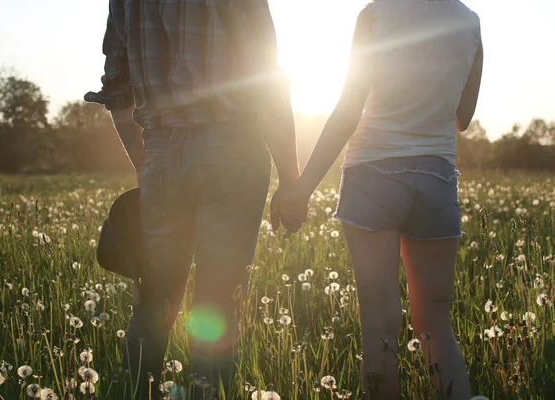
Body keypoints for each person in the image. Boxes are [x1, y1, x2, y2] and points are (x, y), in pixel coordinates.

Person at [85, 0, 299, 399]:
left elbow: (117, 91)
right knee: (220, 303)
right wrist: (291, 179)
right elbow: (266, 80)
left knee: (153, 299)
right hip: (234, 148)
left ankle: (135, 393)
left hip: (162, 153)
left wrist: (149, 166)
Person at [273, 1, 483, 399]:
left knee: (380, 321)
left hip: (373, 174)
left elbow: (350, 109)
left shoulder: (374, 15)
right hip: (436, 178)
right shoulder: (470, 23)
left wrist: (302, 189)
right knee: (436, 322)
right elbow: (463, 117)